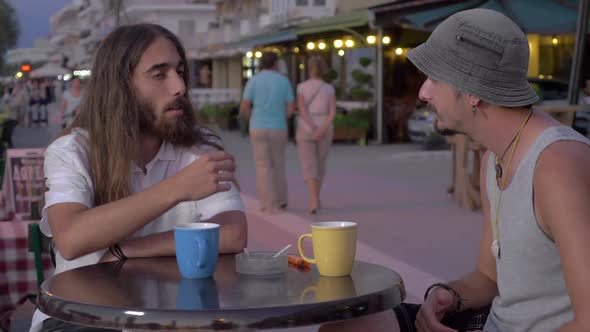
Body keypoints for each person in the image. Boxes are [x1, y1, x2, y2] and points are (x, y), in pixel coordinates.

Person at [320, 8, 590, 332]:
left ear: (473, 90)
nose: (423, 92)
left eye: (435, 77)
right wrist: (450, 294)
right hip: (492, 322)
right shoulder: (494, 159)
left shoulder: (558, 166)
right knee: (344, 327)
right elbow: (489, 277)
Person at [30, 23, 248, 332]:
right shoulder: (72, 151)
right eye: (160, 74)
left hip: (174, 316)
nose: (179, 88)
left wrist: (125, 249)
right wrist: (177, 188)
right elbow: (71, 239)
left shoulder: (198, 145)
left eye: (180, 72)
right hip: (83, 318)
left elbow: (232, 234)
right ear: (120, 85)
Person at [240, 51, 295, 213]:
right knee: (278, 164)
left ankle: (266, 203)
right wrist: (282, 117)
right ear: (276, 63)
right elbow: (291, 108)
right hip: (278, 126)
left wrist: (253, 119)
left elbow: (244, 106)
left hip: (257, 126)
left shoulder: (253, 81)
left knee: (262, 166)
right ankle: (281, 201)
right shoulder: (283, 81)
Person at [296, 56, 336, 214]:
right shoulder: (329, 88)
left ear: (309, 69)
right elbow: (332, 112)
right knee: (320, 165)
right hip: (325, 128)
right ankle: (316, 197)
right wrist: (322, 128)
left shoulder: (301, 87)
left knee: (308, 165)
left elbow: (302, 108)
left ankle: (313, 199)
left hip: (305, 127)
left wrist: (312, 127)